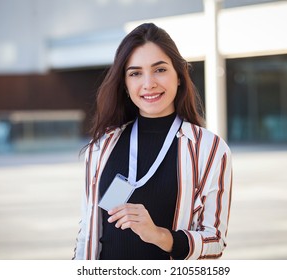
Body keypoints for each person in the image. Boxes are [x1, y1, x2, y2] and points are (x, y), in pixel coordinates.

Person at [73, 23, 232, 260]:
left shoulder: (208, 149)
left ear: (179, 76)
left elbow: (215, 241)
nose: (148, 83)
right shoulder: (102, 145)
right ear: (125, 85)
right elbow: (88, 231)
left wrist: (159, 235)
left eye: (159, 70)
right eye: (135, 73)